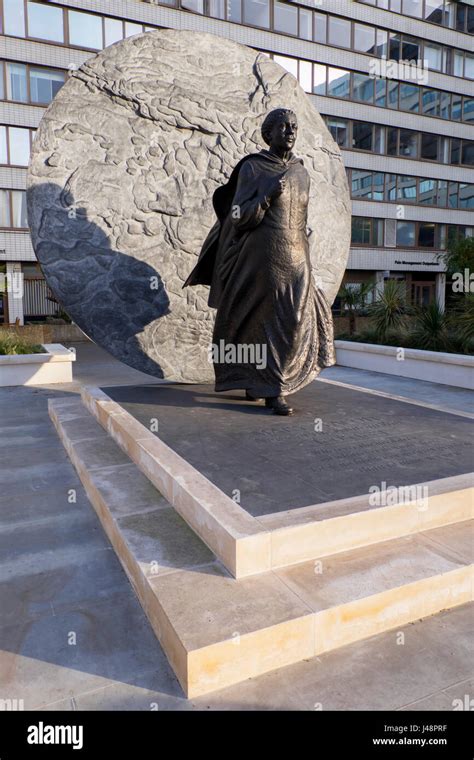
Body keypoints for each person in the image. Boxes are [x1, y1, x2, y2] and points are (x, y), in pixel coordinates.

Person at [183, 107, 335, 415]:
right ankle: (272, 389)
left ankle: (260, 381)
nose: (290, 131)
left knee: (294, 321)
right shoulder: (253, 168)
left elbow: (300, 217)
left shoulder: (301, 172)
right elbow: (238, 217)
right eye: (283, 127)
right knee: (262, 322)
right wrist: (264, 195)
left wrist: (306, 240)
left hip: (297, 257)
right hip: (262, 260)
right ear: (268, 134)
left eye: (294, 126)